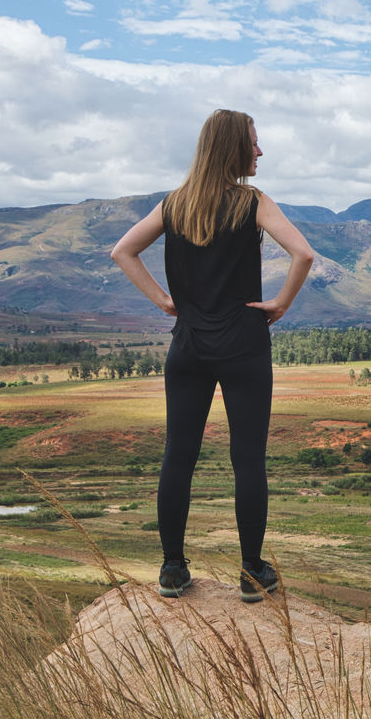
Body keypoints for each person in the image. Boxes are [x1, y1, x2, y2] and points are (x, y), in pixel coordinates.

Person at [110, 109, 315, 601]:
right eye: (254, 142)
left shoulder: (175, 204)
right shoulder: (253, 202)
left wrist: (164, 302)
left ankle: (173, 570)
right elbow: (304, 254)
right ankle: (251, 574)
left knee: (178, 457)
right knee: (248, 459)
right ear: (233, 148)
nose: (260, 151)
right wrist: (282, 303)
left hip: (189, 345)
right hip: (244, 344)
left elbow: (123, 251)